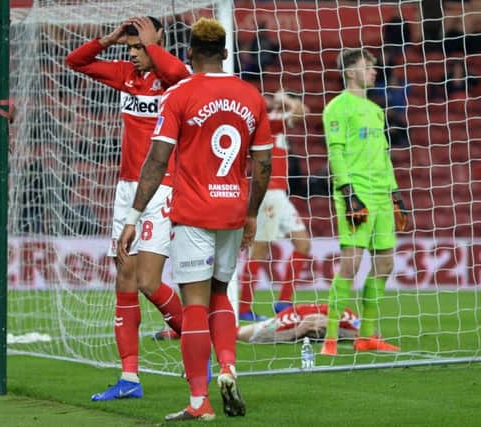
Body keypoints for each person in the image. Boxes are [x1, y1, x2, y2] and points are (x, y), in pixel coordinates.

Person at [117, 17, 272, 421]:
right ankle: (228, 366)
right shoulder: (250, 94)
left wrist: (134, 215)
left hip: (193, 213)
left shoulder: (180, 95)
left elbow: (157, 160)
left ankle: (199, 401)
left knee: (195, 305)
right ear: (224, 53)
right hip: (233, 210)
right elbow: (264, 163)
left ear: (189, 53)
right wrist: (252, 213)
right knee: (222, 293)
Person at [66, 16, 190, 401]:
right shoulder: (125, 75)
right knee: (124, 279)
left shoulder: (174, 81)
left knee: (149, 282)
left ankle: (196, 340)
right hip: (125, 191)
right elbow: (76, 62)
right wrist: (111, 38)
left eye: (139, 48)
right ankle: (130, 378)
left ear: (156, 43)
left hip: (161, 186)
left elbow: (179, 73)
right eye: (131, 49)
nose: (134, 55)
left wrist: (153, 46)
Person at [320, 48, 409, 356]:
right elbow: (336, 153)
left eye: (373, 67)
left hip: (382, 195)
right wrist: (348, 193)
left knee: (385, 262)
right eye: (367, 66)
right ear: (350, 72)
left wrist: (395, 194)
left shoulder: (375, 109)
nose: (373, 71)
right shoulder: (337, 107)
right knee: (352, 263)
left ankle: (366, 336)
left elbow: (384, 157)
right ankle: (330, 338)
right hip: (356, 194)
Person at [239, 90, 311, 320]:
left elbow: (302, 111)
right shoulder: (267, 123)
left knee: (303, 244)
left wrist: (285, 100)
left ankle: (283, 302)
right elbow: (301, 111)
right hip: (268, 194)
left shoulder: (278, 124)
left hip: (280, 195)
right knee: (259, 249)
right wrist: (285, 100)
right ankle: (243, 308)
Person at [237, 303, 359, 343]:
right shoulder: (290, 319)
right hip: (284, 318)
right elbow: (259, 336)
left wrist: (336, 329)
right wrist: (297, 331)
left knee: (240, 334)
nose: (316, 326)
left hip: (290, 323)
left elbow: (372, 332)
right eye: (317, 328)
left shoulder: (342, 317)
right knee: (238, 333)